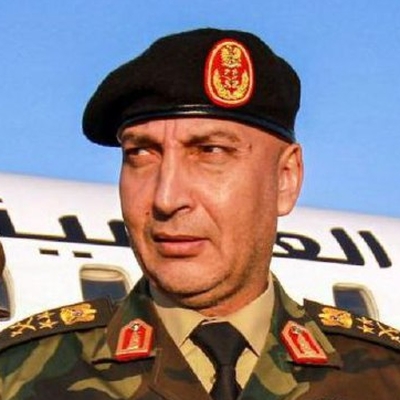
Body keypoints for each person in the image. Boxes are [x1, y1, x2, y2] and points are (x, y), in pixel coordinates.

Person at [0, 28, 399, 400]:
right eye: (140, 153)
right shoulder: (16, 377)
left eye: (210, 151)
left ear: (285, 179)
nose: (166, 198)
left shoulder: (385, 377)